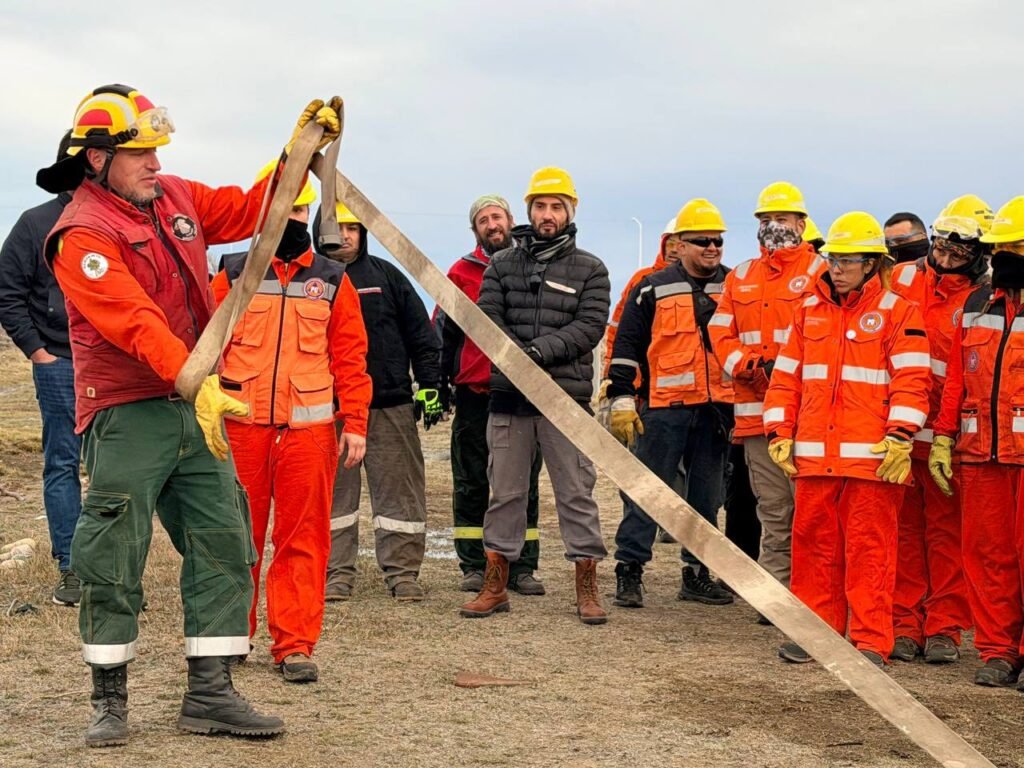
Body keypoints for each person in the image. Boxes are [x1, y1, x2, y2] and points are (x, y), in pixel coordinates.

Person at [39, 84, 340, 745]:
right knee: (113, 554)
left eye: (157, 151)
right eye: (141, 152)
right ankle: (109, 699)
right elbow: (135, 320)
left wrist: (296, 155)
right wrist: (195, 377)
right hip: (128, 415)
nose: (156, 163)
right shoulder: (79, 235)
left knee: (225, 543)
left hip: (193, 407)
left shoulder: (174, 197)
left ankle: (210, 694)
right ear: (96, 159)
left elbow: (250, 209)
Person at [211, 164, 371, 683]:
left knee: (303, 540)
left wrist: (356, 423)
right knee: (237, 538)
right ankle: (231, 636)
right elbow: (207, 345)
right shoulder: (233, 271)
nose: (293, 216)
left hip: (309, 435)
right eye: (285, 206)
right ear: (263, 210)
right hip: (241, 429)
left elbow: (350, 355)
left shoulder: (331, 278)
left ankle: (294, 645)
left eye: (300, 208)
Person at [764, 211, 931, 667]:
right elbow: (785, 381)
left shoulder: (900, 312)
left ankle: (870, 641)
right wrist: (779, 431)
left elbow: (913, 382)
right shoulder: (808, 312)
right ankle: (814, 635)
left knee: (870, 553)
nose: (835, 268)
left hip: (872, 460)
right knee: (813, 548)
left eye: (846, 260)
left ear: (872, 263)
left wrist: (900, 436)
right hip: (815, 458)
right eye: (832, 258)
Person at [463, 167, 610, 625]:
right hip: (508, 399)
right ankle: (496, 584)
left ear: (570, 212)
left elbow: (589, 327)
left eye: (556, 207)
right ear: (529, 211)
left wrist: (533, 352)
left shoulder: (591, 268)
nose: (548, 215)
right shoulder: (502, 265)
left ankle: (586, 585)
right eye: (540, 207)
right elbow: (487, 317)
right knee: (504, 493)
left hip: (565, 402)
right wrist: (513, 358)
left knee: (576, 493)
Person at [606, 199, 735, 608]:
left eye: (717, 240)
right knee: (647, 492)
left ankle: (696, 573)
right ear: (679, 244)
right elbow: (626, 345)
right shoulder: (651, 288)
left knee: (706, 497)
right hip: (663, 408)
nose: (712, 248)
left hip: (716, 409)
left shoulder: (734, 287)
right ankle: (629, 570)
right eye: (702, 241)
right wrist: (621, 396)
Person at [314, 201, 441, 602]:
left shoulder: (386, 277)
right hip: (326, 407)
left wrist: (430, 385)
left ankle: (403, 574)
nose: (346, 236)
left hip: (389, 404)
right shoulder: (309, 280)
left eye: (353, 228)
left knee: (399, 493)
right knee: (332, 496)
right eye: (338, 228)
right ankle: (335, 573)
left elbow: (421, 335)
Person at [888, 195, 992, 664]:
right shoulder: (903, 277)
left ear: (979, 253)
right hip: (900, 430)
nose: (947, 256)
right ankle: (904, 623)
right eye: (942, 245)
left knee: (947, 537)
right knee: (903, 533)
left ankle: (946, 628)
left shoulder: (984, 295)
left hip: (949, 435)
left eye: (959, 251)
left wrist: (950, 434)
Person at [708, 181, 824, 603]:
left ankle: (814, 598)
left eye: (782, 218)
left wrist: (788, 365)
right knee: (774, 511)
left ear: (801, 223)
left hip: (808, 417)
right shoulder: (740, 275)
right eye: (765, 219)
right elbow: (720, 331)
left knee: (813, 514)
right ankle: (778, 599)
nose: (773, 226)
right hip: (757, 413)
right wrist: (750, 364)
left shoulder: (821, 272)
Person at [932, 195, 1024, 688]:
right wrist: (944, 438)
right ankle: (997, 651)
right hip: (981, 455)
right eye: (1000, 246)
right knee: (988, 557)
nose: (1006, 254)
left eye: (1017, 246)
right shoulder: (975, 303)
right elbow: (955, 381)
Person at [436, 194, 545, 594]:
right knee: (470, 480)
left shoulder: (531, 265)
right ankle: (474, 564)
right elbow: (443, 332)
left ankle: (522, 566)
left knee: (521, 481)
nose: (492, 224)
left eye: (496, 216)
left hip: (519, 390)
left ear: (510, 219)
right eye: (483, 220)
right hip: (474, 390)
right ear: (475, 230)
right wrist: (439, 383)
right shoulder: (460, 272)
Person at [0, 132, 81, 605]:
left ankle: (109, 569)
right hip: (59, 364)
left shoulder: (120, 220)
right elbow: (7, 294)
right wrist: (38, 352)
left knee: (117, 470)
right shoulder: (35, 224)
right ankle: (71, 567)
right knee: (63, 463)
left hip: (114, 367)